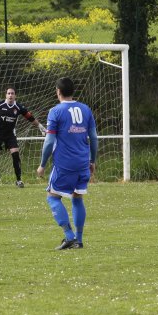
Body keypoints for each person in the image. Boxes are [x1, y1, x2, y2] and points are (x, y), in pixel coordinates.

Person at [37, 77, 98, 250]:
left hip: (65, 164)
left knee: (52, 197)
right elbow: (93, 138)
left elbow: (49, 142)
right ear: (73, 91)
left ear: (58, 91)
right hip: (82, 163)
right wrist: (92, 160)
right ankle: (79, 240)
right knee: (77, 198)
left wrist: (42, 164)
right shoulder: (85, 109)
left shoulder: (55, 111)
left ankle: (69, 236)